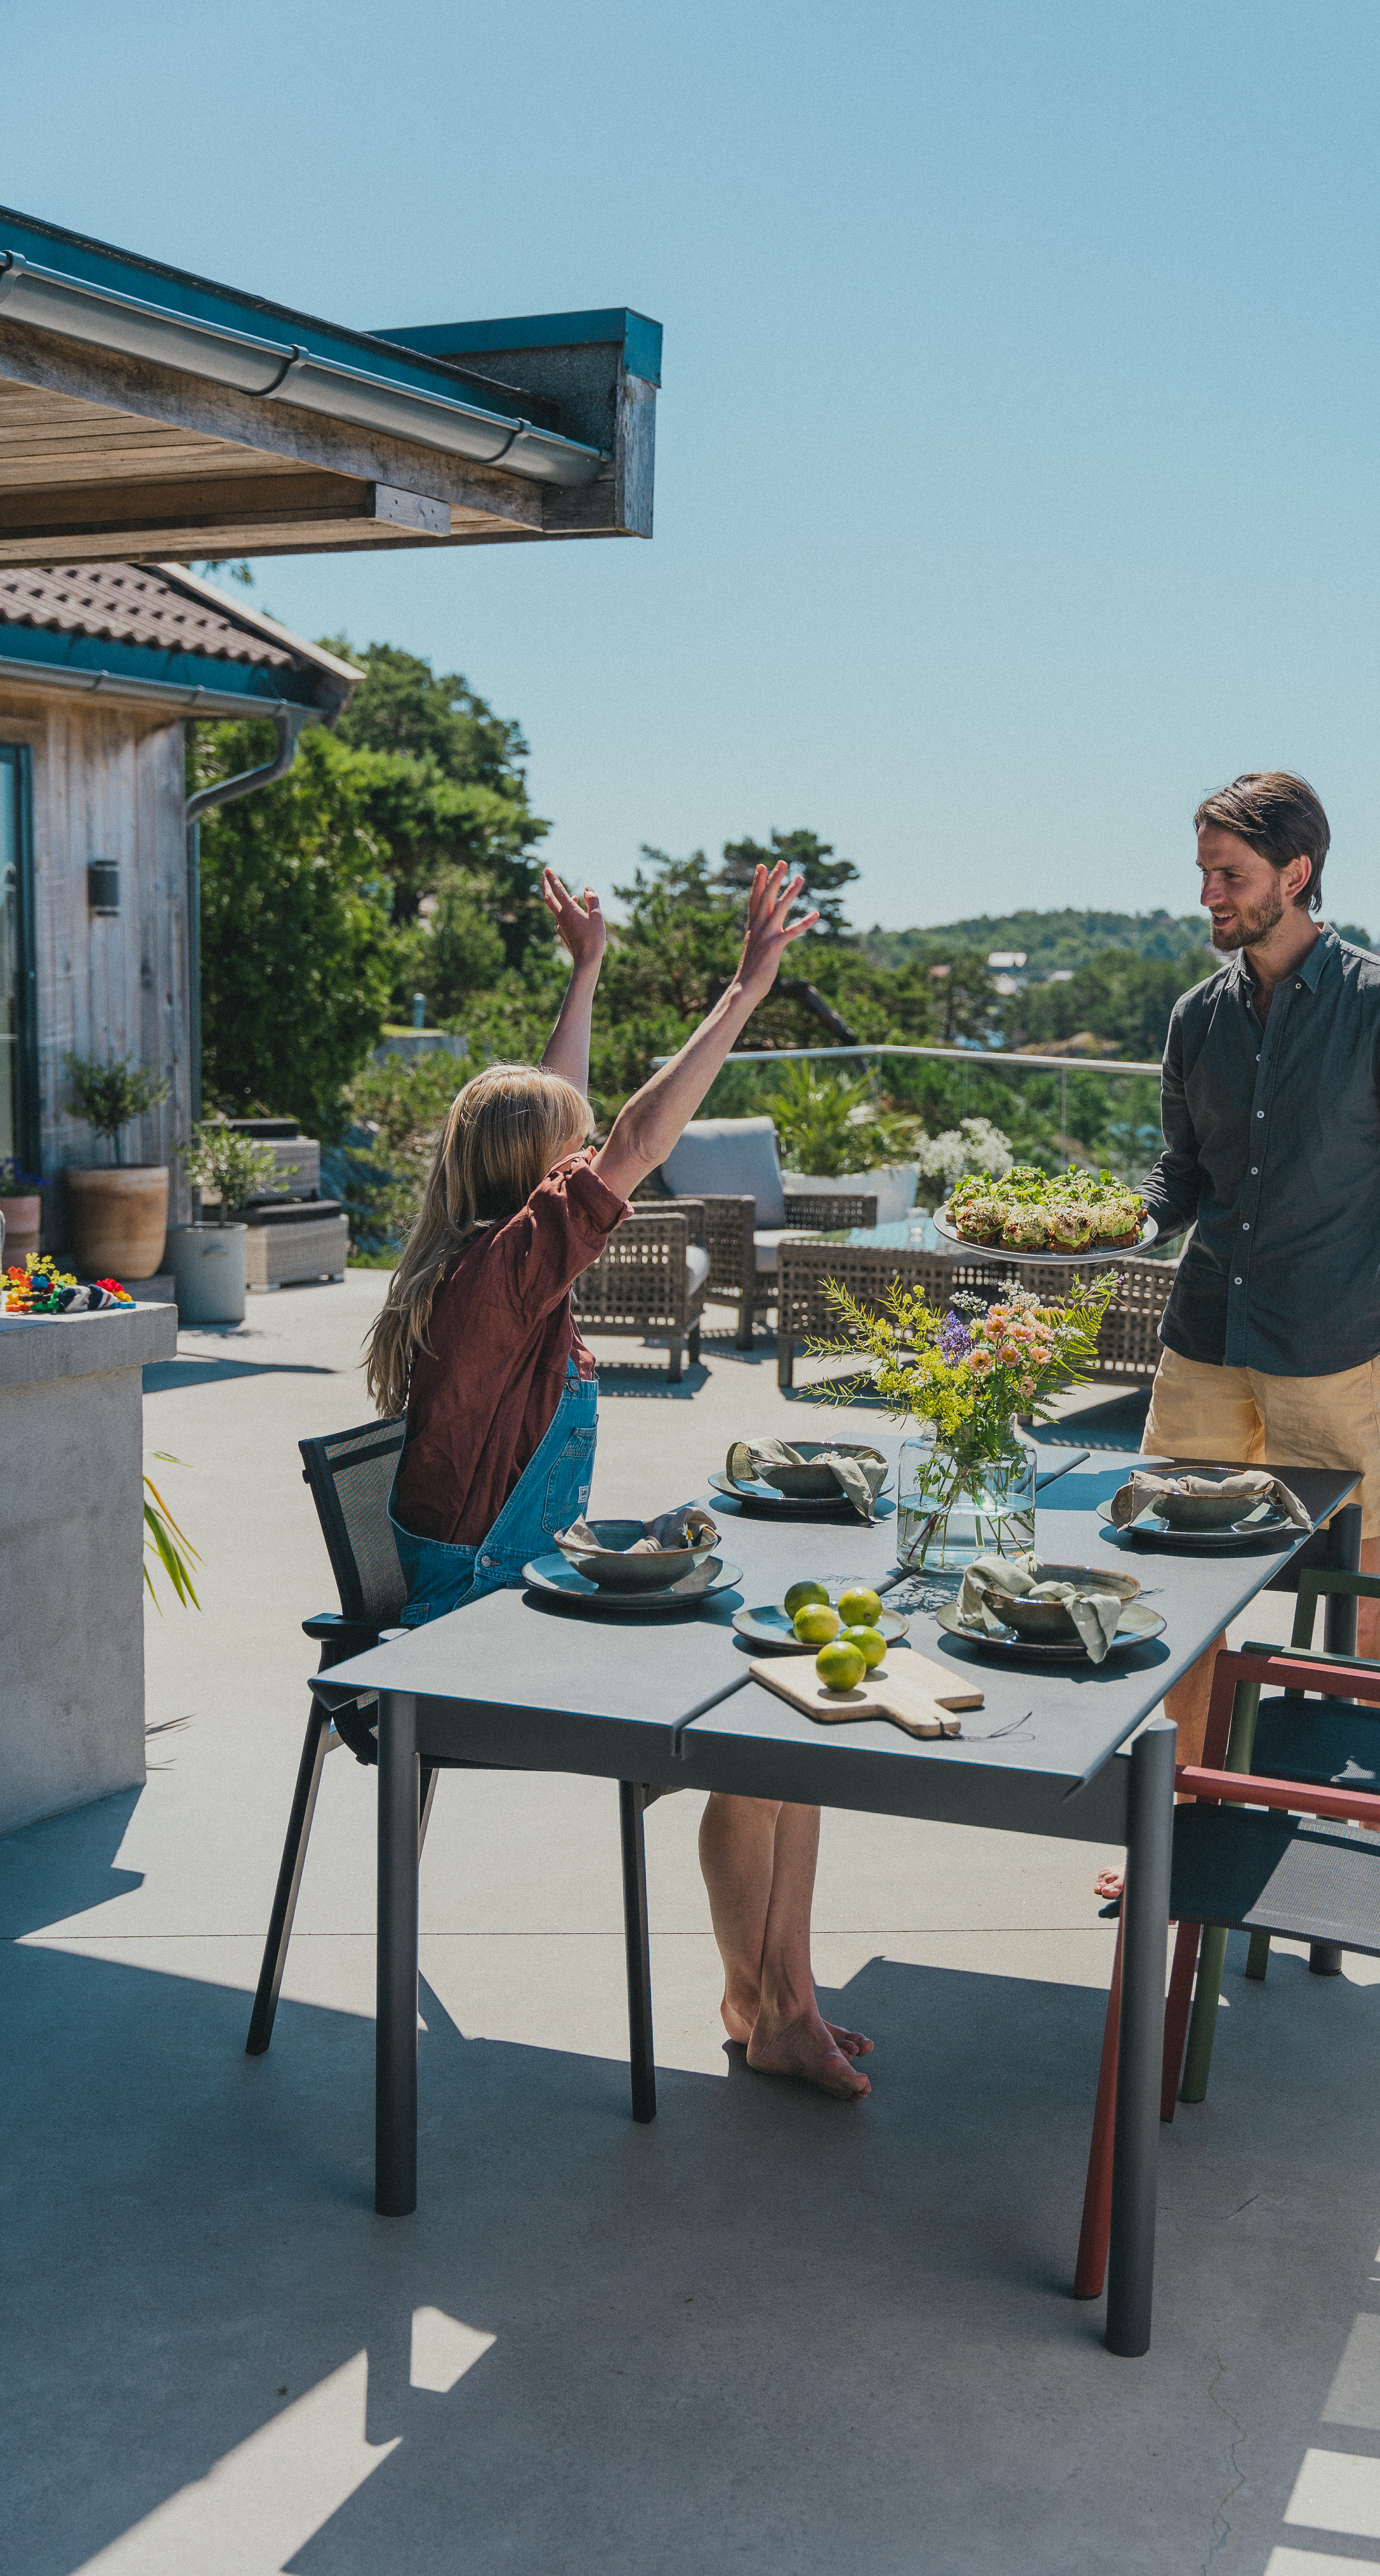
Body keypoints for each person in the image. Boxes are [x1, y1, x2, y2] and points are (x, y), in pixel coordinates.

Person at [364, 860, 873, 2101]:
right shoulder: (501, 1282)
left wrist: (588, 972)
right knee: (771, 1709)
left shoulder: (486, 1255)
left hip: (511, 1597)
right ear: (537, 1182)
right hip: (479, 1636)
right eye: (569, 1160)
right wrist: (746, 991)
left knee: (788, 1697)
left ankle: (773, 2003)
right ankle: (773, 2007)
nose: (590, 1162)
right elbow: (636, 1135)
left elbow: (572, 1117)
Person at [1137, 770, 1380, 1767]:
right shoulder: (1193, 1019)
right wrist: (1118, 1222)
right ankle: (1184, 1819)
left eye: (1230, 873)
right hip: (1203, 1340)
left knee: (1356, 1591)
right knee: (1179, 1580)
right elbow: (1179, 1172)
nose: (1209, 894)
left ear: (1294, 874)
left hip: (1329, 1349)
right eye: (1204, 873)